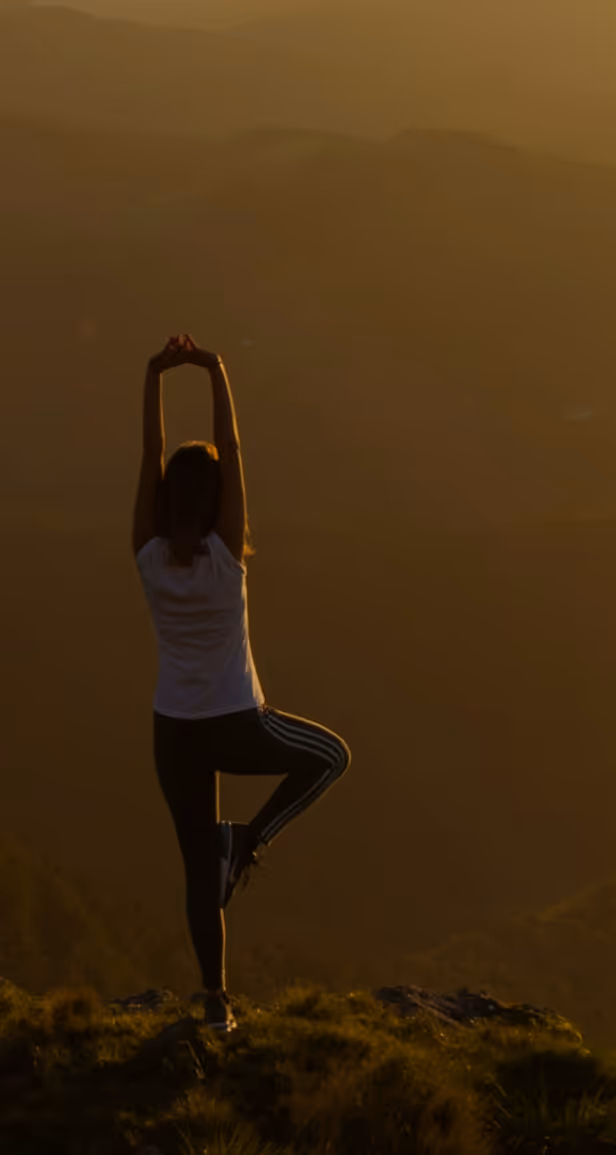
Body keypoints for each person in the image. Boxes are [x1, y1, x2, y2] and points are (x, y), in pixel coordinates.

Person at [135, 334, 351, 1032]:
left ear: (166, 497)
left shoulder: (146, 555)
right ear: (218, 498)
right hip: (236, 719)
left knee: (199, 872)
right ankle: (251, 840)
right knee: (332, 757)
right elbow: (235, 449)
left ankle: (215, 1003)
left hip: (174, 731)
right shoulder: (227, 556)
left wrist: (153, 378)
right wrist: (214, 368)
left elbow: (148, 456)